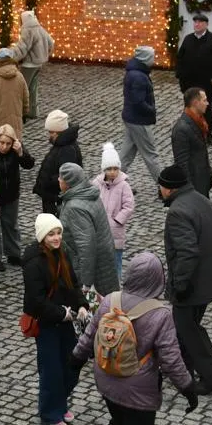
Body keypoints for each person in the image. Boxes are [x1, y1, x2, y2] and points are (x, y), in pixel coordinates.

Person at [72, 252, 200, 425]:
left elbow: (89, 336)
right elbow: (171, 360)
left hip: (106, 380)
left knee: (119, 421)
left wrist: (74, 361)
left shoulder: (110, 300)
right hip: (138, 389)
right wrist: (188, 388)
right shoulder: (160, 314)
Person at [159, 166, 212, 393]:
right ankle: (182, 370)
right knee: (184, 327)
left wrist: (179, 285)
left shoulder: (178, 212)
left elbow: (187, 253)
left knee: (188, 329)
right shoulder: (203, 201)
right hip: (207, 281)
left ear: (168, 188)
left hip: (191, 286)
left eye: (160, 186)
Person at [24, 213, 87, 425]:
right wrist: (62, 314)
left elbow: (73, 284)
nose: (56, 237)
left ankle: (59, 403)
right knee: (51, 370)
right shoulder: (33, 263)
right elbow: (36, 300)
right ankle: (50, 413)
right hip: (47, 324)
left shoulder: (63, 253)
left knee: (71, 365)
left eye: (58, 232)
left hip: (65, 321)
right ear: (43, 236)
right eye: (51, 234)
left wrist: (81, 305)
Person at [59, 160, 118, 298]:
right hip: (104, 261)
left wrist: (86, 283)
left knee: (96, 312)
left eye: (61, 177)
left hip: (88, 269)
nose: (58, 179)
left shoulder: (75, 207)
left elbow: (86, 246)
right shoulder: (90, 195)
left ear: (68, 183)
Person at [0, 124, 33, 270]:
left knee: (11, 225)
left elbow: (29, 164)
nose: (4, 147)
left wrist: (20, 153)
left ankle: (13, 254)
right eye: (2, 143)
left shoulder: (15, 150)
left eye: (8, 143)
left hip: (11, 195)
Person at [117, 45, 164, 179]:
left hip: (131, 118)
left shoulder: (135, 72)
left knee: (126, 154)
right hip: (139, 121)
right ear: (146, 59)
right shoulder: (139, 76)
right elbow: (138, 102)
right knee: (151, 155)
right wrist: (151, 111)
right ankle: (164, 186)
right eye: (152, 57)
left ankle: (112, 181)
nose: (154, 60)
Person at [174, 14, 212, 138]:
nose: (197, 24)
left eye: (200, 22)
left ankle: (207, 133)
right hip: (189, 82)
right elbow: (180, 58)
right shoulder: (188, 39)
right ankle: (190, 132)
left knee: (206, 108)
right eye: (195, 22)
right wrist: (180, 75)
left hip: (205, 82)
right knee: (189, 108)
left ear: (206, 24)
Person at [96, 142, 136, 283]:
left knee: (116, 263)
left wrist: (117, 220)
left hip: (116, 232)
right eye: (109, 169)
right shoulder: (96, 184)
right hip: (99, 231)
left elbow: (129, 205)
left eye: (115, 169)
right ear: (104, 169)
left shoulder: (124, 185)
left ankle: (116, 286)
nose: (112, 172)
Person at [35, 110, 82, 216]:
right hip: (52, 197)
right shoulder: (62, 144)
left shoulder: (67, 149)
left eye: (51, 132)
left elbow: (67, 176)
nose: (49, 135)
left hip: (55, 199)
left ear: (58, 132)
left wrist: (48, 181)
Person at [169, 88, 212, 197]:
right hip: (193, 187)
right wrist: (189, 190)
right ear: (195, 103)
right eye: (204, 100)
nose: (207, 103)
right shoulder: (181, 129)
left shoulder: (199, 122)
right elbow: (182, 163)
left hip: (201, 182)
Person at [12, 9, 54, 119]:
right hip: (39, 64)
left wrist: (12, 56)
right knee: (33, 88)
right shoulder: (40, 28)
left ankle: (21, 112)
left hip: (29, 65)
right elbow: (51, 42)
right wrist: (44, 54)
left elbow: (22, 48)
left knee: (22, 87)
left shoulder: (27, 30)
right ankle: (33, 111)